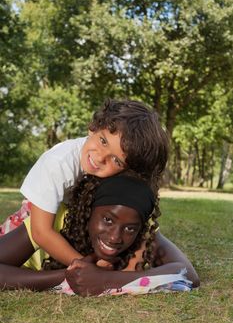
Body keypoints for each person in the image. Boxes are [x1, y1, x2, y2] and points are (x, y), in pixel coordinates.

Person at [2, 98, 168, 268]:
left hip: (77, 225)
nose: (100, 157)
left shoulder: (122, 178)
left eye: (116, 160)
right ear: (93, 127)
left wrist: (130, 269)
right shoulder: (58, 163)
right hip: (34, 221)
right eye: (103, 141)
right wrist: (87, 266)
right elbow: (41, 232)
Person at [0, 174, 199, 295]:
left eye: (130, 228)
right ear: (89, 211)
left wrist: (106, 279)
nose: (115, 237)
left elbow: (187, 274)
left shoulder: (143, 232)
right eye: (108, 220)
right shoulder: (55, 220)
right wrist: (67, 277)